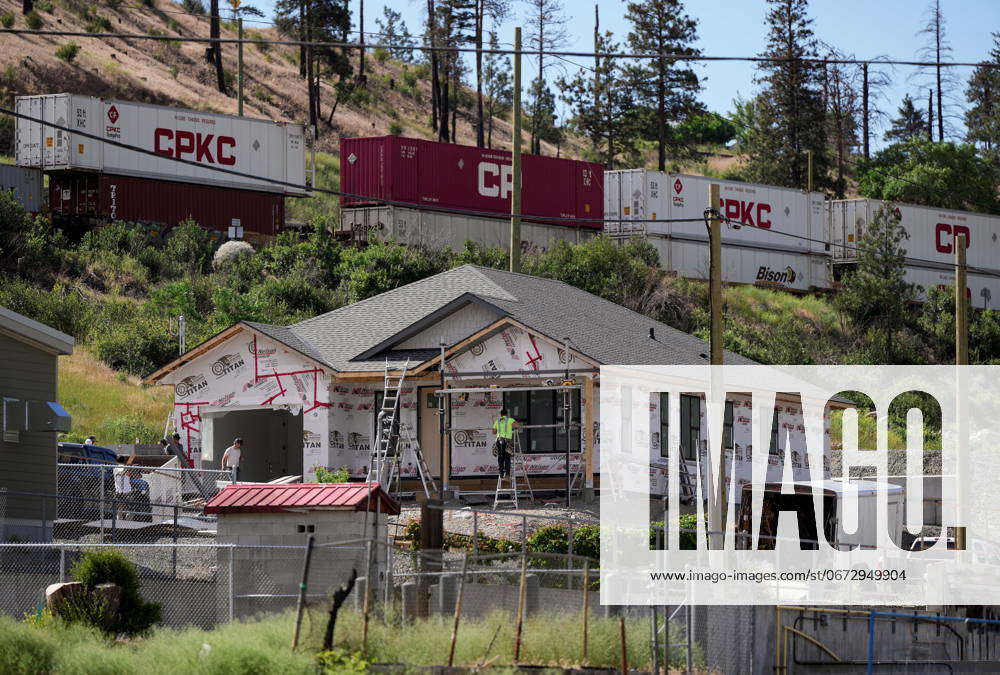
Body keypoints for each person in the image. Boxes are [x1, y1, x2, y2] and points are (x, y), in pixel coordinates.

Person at [491, 409, 519, 478]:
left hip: (498, 441)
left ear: (501, 414)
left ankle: (501, 473)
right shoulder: (510, 420)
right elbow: (517, 426)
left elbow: (494, 432)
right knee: (507, 458)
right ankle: (507, 474)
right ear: (507, 414)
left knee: (500, 457)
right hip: (507, 441)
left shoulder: (497, 421)